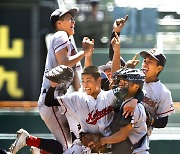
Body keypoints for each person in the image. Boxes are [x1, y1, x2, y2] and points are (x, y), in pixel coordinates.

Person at [9, 7, 94, 154]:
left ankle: (39, 149)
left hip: (59, 101)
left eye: (73, 18)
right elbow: (64, 62)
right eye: (69, 18)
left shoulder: (69, 43)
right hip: (51, 98)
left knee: (74, 144)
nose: (73, 21)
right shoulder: (60, 35)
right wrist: (84, 52)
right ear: (59, 23)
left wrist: (87, 55)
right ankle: (29, 140)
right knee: (66, 149)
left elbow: (78, 79)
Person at [98, 68, 149, 154]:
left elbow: (121, 135)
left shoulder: (132, 108)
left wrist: (101, 141)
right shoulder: (124, 100)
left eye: (125, 83)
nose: (120, 85)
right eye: (120, 82)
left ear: (136, 86)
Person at [140, 49, 174, 135]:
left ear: (159, 68)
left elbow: (163, 122)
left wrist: (147, 119)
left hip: (141, 138)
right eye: (144, 60)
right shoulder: (133, 80)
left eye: (150, 62)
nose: (145, 64)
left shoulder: (164, 92)